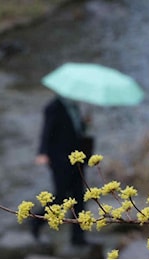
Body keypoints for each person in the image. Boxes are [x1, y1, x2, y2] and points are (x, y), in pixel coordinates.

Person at [32, 95, 91, 246]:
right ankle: (36, 221)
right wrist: (42, 153)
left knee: (79, 197)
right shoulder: (53, 107)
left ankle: (78, 238)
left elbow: (75, 131)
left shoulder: (74, 106)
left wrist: (84, 124)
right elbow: (46, 132)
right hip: (60, 161)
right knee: (60, 197)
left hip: (77, 161)